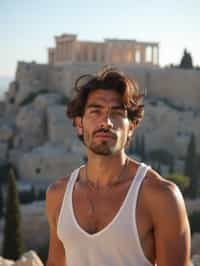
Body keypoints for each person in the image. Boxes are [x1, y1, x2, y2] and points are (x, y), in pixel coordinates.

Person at [46, 68, 191, 266]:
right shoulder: (58, 194)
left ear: (131, 127)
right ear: (79, 123)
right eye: (95, 111)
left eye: (116, 113)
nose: (106, 122)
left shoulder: (160, 196)